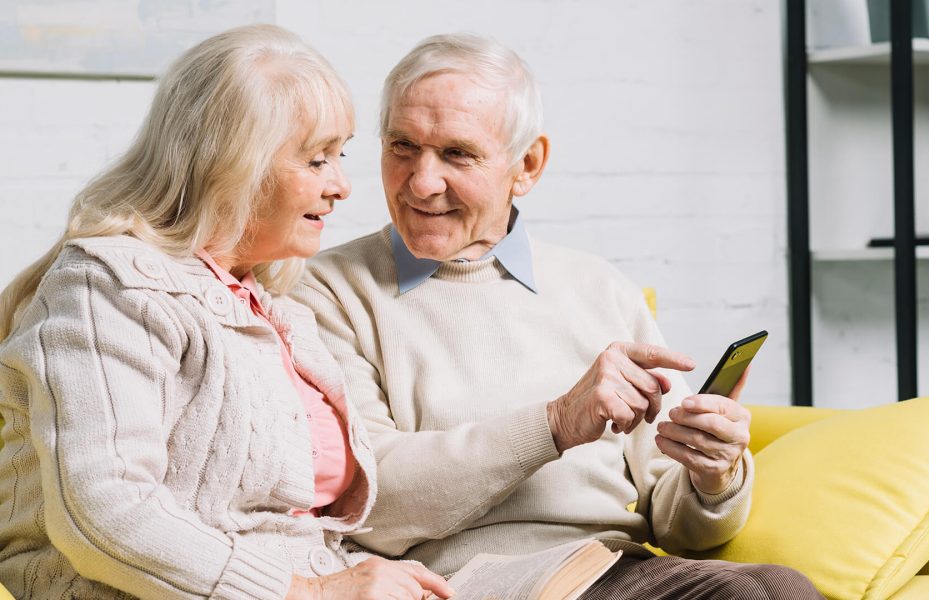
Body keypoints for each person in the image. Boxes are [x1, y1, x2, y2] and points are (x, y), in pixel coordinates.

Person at [292, 33, 824, 599]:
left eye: (457, 153)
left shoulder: (599, 288)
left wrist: (712, 476)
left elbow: (679, 525)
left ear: (527, 165)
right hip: (461, 584)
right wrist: (555, 423)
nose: (421, 182)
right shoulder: (326, 292)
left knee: (775, 590)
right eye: (402, 146)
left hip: (615, 572)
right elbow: (370, 502)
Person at [0, 25, 452, 600]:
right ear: (231, 166)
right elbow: (106, 512)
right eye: (316, 161)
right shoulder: (108, 287)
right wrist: (317, 593)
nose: (340, 185)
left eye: (339, 156)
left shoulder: (273, 306)